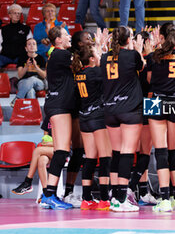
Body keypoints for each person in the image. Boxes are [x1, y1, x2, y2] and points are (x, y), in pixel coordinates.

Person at [101, 26, 145, 212]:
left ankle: (116, 198)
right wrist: (140, 50)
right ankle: (120, 198)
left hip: (110, 110)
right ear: (129, 40)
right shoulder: (132, 55)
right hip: (129, 109)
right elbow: (142, 66)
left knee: (117, 153)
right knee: (128, 152)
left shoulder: (104, 57)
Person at [147, 23, 175, 212]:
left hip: (155, 100)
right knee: (173, 151)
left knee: (160, 151)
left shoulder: (154, 55)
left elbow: (148, 80)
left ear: (161, 36)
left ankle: (164, 199)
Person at [72, 45, 112, 211]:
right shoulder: (95, 72)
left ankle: (86, 199)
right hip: (97, 116)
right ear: (92, 59)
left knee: (89, 158)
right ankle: (104, 199)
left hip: (84, 118)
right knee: (105, 157)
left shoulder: (79, 74)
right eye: (97, 53)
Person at [40, 26, 75, 210]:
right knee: (61, 151)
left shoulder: (57, 54)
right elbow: (82, 62)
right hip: (59, 106)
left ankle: (49, 195)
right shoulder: (61, 54)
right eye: (66, 34)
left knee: (62, 151)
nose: (69, 36)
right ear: (59, 40)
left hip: (58, 105)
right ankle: (49, 195)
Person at [127, 30, 157, 206]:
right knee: (143, 151)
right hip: (144, 103)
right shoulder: (142, 59)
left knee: (143, 150)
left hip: (142, 103)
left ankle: (143, 190)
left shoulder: (140, 58)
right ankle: (132, 187)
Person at [11, 116, 53, 198]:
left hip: (62, 150)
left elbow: (67, 143)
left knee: (37, 150)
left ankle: (28, 182)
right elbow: (44, 140)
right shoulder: (48, 119)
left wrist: (50, 144)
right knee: (41, 160)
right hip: (49, 150)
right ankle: (46, 194)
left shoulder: (65, 118)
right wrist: (48, 144)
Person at [11, 38, 46, 107]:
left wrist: (36, 67)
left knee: (32, 79)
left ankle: (18, 98)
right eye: (29, 44)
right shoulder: (22, 58)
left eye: (34, 44)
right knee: (30, 91)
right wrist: (26, 66)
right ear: (26, 48)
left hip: (38, 82)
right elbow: (20, 76)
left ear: (36, 47)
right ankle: (31, 112)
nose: (32, 46)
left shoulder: (41, 59)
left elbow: (44, 75)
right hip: (23, 82)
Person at [0, 4, 32, 68]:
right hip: (5, 56)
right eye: (15, 13)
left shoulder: (26, 28)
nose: (17, 15)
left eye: (19, 13)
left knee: (30, 62)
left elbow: (30, 43)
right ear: (9, 15)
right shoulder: (3, 29)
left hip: (21, 56)